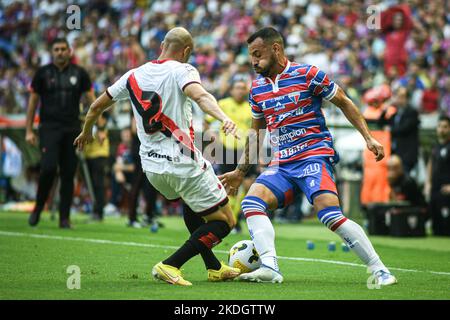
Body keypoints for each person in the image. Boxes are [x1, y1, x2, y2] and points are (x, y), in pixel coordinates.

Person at [220, 27, 397, 285]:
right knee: (251, 203)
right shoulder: (257, 89)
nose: (254, 62)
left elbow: (345, 102)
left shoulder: (308, 74)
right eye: (251, 56)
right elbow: (256, 135)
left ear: (276, 49)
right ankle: (270, 267)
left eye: (257, 55)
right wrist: (239, 172)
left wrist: (368, 137)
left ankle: (380, 270)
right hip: (282, 163)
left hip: (313, 155)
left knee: (329, 214)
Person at [74, 27, 241, 285]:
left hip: (151, 166)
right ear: (186, 51)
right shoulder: (183, 70)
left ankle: (214, 267)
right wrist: (223, 117)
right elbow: (201, 96)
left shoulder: (132, 75)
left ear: (162, 44)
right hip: (183, 162)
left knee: (192, 206)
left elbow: (96, 106)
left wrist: (87, 132)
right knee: (225, 222)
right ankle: (170, 265)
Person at [26, 38, 95, 229]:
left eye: (63, 49)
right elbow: (32, 103)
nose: (60, 52)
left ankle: (64, 218)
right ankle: (39, 207)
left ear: (69, 51)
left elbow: (92, 100)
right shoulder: (43, 73)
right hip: (48, 128)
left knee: (68, 173)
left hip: (72, 129)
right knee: (48, 168)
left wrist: (98, 125)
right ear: (51, 51)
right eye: (56, 49)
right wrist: (29, 130)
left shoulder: (80, 74)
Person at [379, 86, 420, 174]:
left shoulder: (412, 112)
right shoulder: (396, 113)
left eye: (401, 96)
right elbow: (381, 123)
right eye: (397, 96)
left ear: (407, 99)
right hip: (396, 152)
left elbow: (405, 128)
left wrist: (390, 130)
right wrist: (385, 109)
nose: (398, 99)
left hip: (407, 154)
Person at [425, 115, 450, 236]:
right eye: (440, 126)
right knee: (436, 228)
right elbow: (430, 164)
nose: (442, 129)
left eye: (445, 127)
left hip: (447, 188)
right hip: (435, 187)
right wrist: (428, 183)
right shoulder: (435, 146)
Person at [82, 112, 110, 221]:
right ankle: (96, 210)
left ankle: (99, 212)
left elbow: (99, 125)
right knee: (92, 185)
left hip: (99, 153)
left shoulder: (100, 116)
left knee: (98, 184)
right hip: (88, 153)